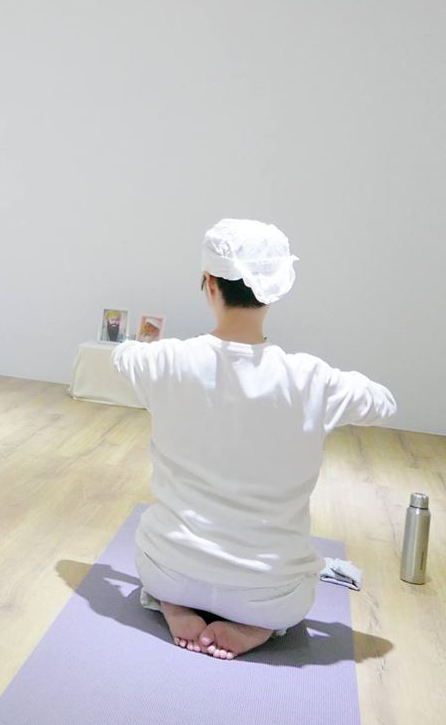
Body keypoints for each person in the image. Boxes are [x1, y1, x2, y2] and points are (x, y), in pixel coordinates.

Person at [112, 218, 396, 659]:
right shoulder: (310, 378)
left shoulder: (167, 361)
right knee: (288, 595)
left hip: (168, 570)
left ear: (209, 284)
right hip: (271, 594)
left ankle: (173, 603)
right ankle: (255, 624)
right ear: (275, 290)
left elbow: (122, 355)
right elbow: (383, 403)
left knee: (156, 553)